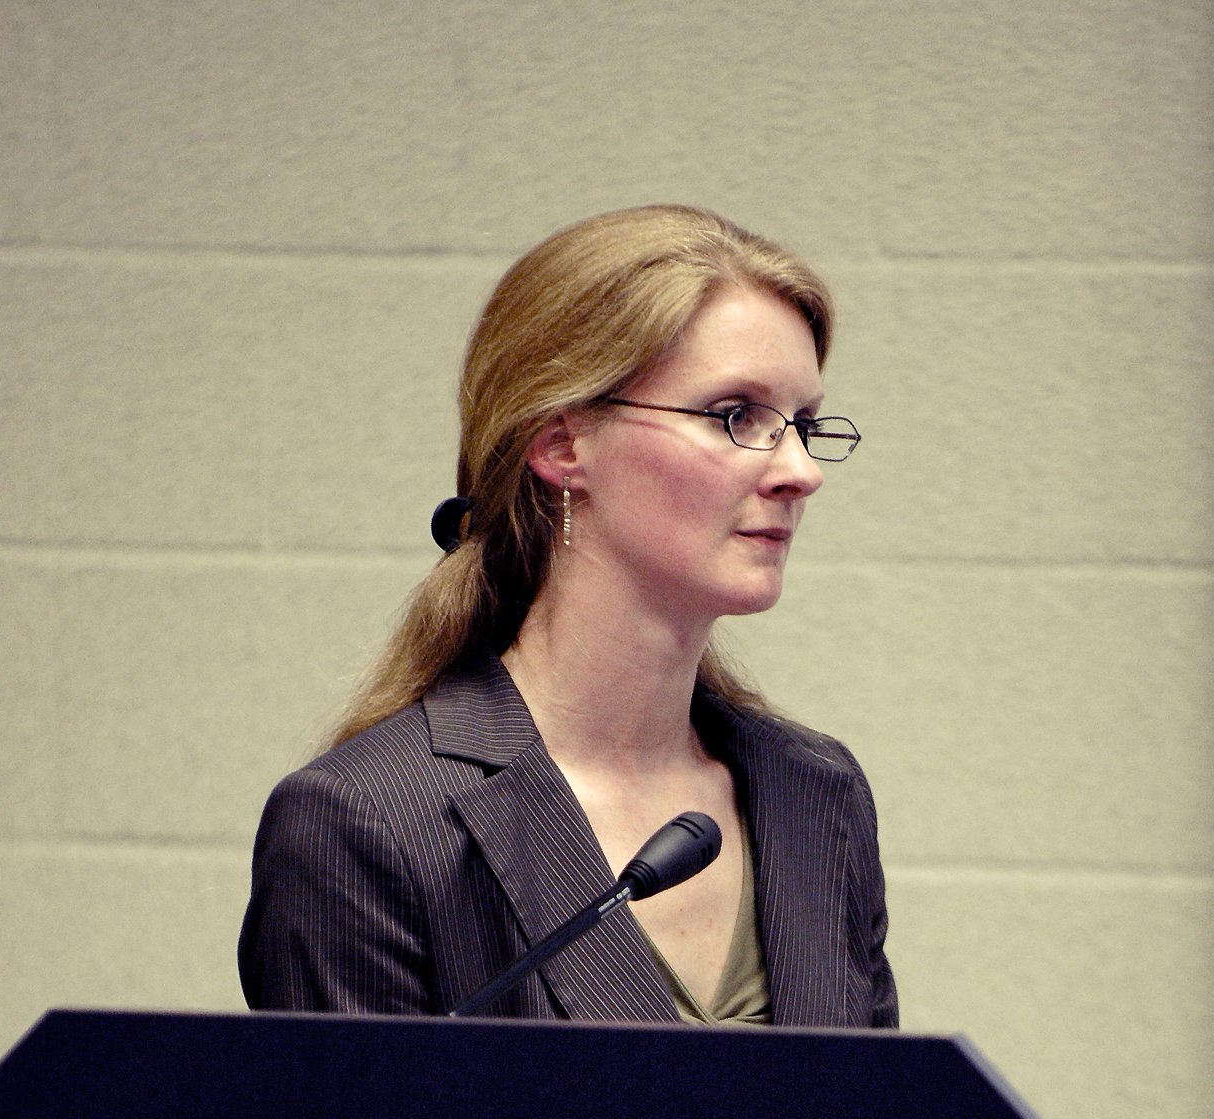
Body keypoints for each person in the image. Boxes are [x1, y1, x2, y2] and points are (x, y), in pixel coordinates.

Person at [238, 204, 896, 1029]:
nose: (800, 471)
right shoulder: (370, 823)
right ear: (561, 446)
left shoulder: (816, 794)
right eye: (738, 417)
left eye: (802, 423)